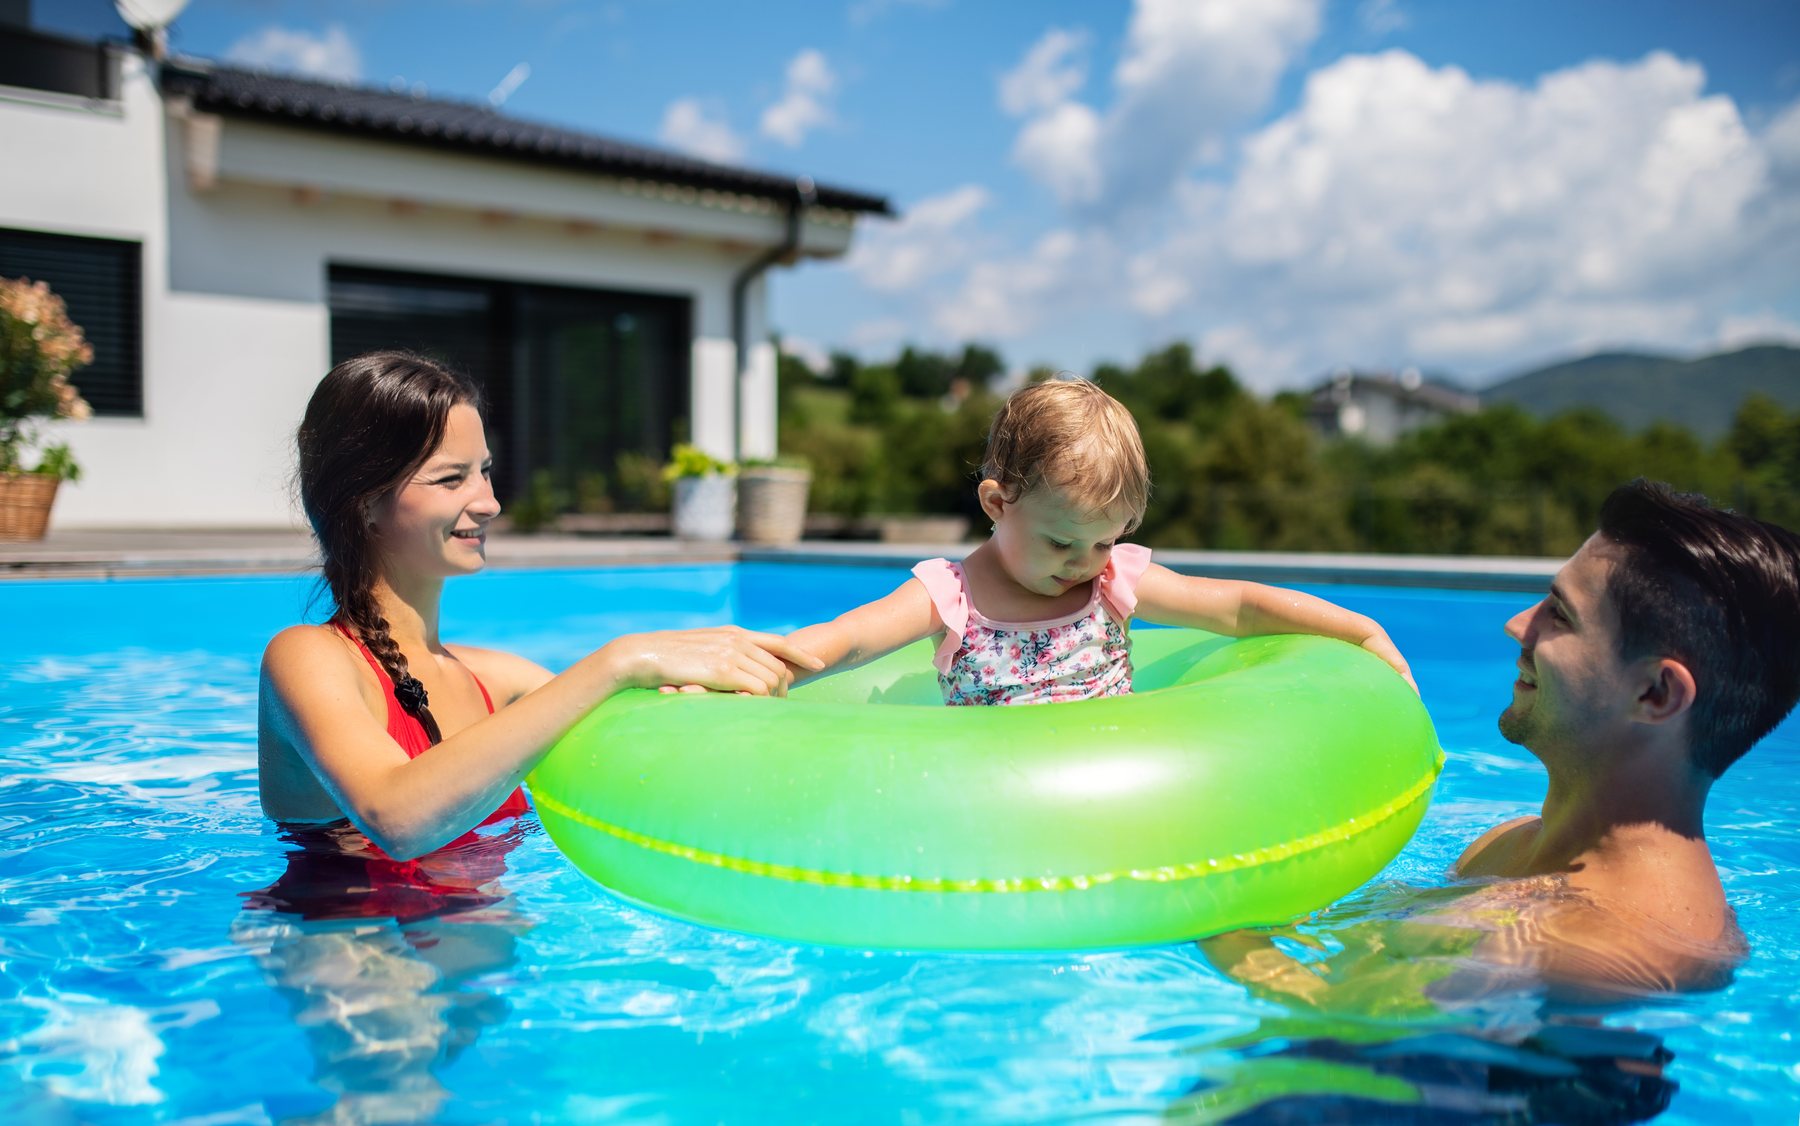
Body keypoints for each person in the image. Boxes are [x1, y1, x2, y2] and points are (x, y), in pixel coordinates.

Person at [1207, 479, 1800, 1002]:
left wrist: (1210, 900)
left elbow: (1332, 1017)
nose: (1518, 623)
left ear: (1655, 695)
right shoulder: (1514, 845)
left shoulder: (1603, 945)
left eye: (1561, 615)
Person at [256, 350, 822, 861]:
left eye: (484, 471)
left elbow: (655, 746)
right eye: (452, 479)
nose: (491, 503)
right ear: (367, 503)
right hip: (349, 945)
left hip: (481, 954)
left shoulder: (498, 679)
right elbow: (397, 821)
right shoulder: (309, 659)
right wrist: (618, 660)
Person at [781, 377, 1414, 702]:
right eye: (1061, 543)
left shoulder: (1114, 583)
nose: (1084, 564)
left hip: (1114, 795)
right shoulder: (951, 597)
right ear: (998, 504)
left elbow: (1237, 607)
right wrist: (758, 669)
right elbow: (850, 639)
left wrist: (1358, 629)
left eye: (1104, 542)